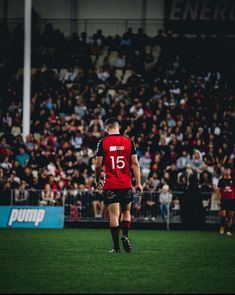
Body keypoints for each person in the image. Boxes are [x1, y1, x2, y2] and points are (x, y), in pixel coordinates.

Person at [95, 118, 143, 253]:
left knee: (114, 216)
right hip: (126, 184)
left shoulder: (103, 142)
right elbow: (135, 164)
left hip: (111, 184)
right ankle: (125, 236)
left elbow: (98, 165)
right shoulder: (129, 142)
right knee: (126, 211)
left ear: (106, 128)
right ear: (118, 127)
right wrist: (138, 183)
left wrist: (98, 179)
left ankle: (116, 248)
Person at [217, 163, 235, 236]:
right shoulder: (221, 180)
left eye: (228, 170)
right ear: (224, 171)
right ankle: (222, 227)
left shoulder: (233, 180)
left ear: (230, 171)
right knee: (223, 214)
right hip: (224, 199)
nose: (226, 171)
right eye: (225, 170)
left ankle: (229, 229)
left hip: (232, 200)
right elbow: (218, 190)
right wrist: (218, 199)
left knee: (230, 216)